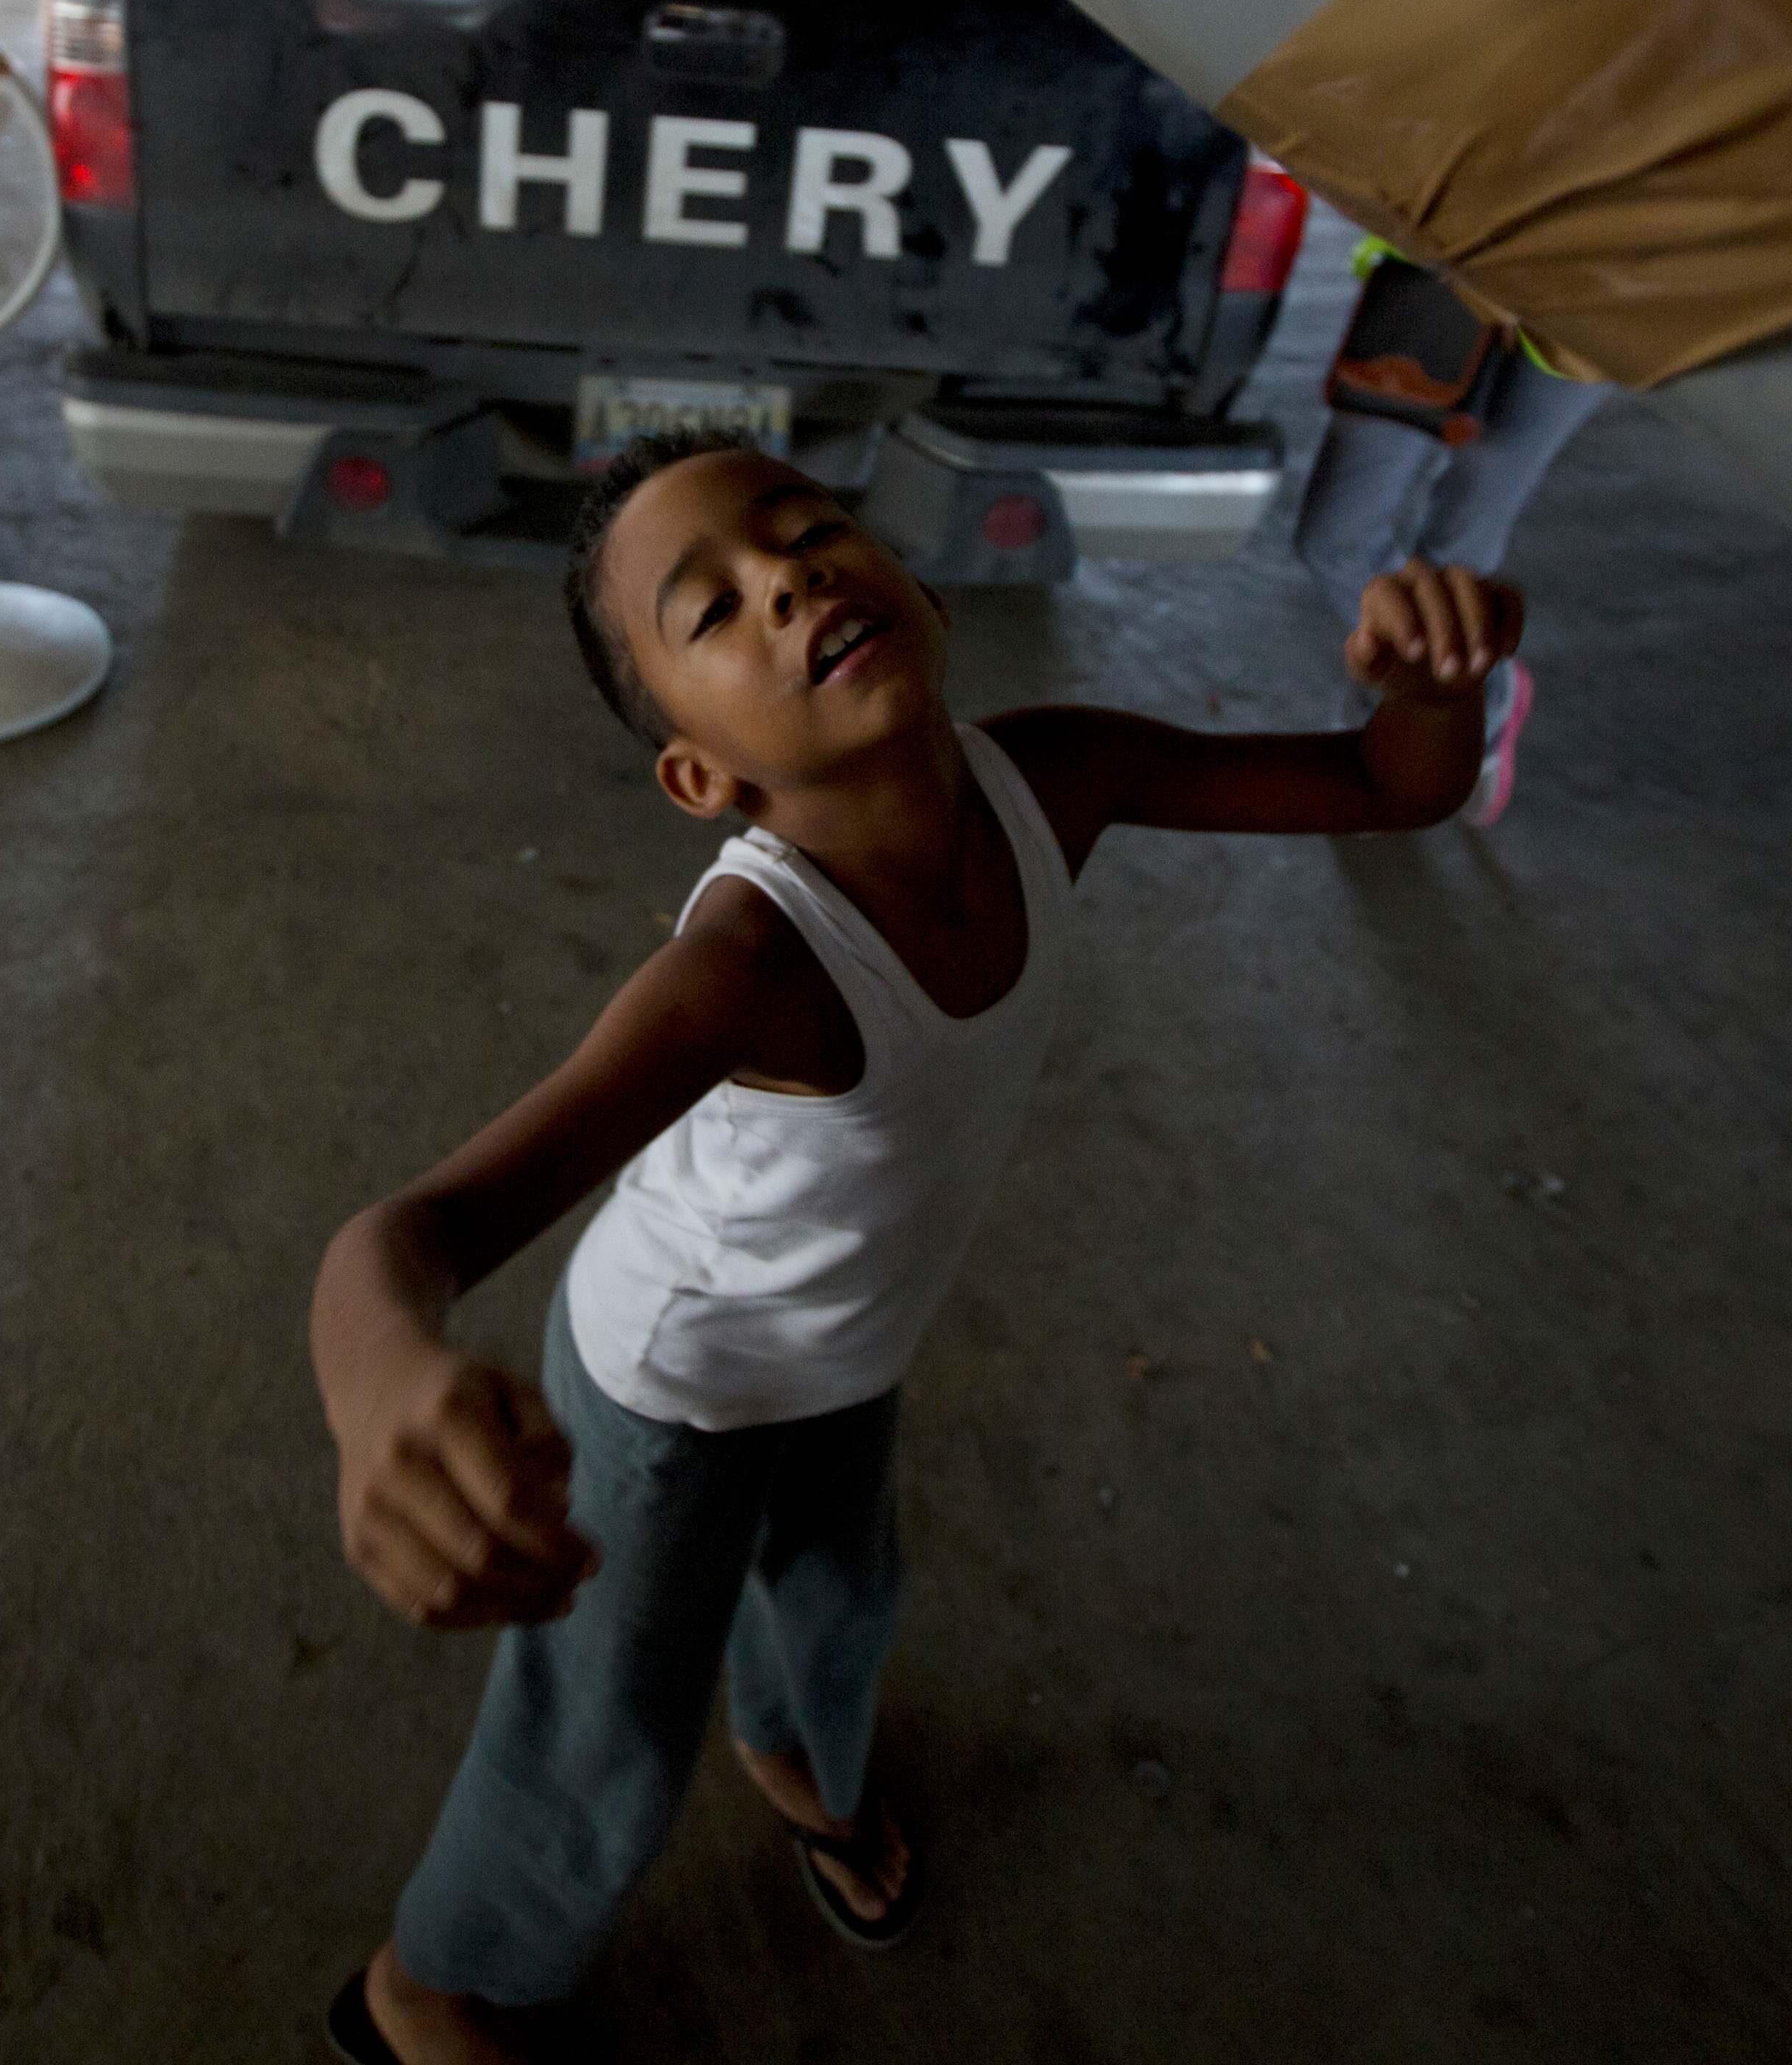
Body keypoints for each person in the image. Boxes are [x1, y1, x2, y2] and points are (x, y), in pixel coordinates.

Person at [308, 436, 1522, 2064]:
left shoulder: (1056, 777)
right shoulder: (746, 966)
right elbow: (415, 1233)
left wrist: (1434, 679)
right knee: (599, 1742)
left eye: (811, 532)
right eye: (716, 607)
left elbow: (1388, 786)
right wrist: (383, 1382)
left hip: (849, 1347)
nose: (793, 576)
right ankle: (431, 1991)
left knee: (837, 1599)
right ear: (701, 776)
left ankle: (798, 1760)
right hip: (672, 1387)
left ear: (925, 590)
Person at [1292, 241, 1617, 826]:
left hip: (1589, 306)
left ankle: (1465, 706)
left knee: (1459, 556)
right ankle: (1426, 687)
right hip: (1438, 272)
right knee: (1335, 537)